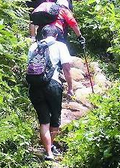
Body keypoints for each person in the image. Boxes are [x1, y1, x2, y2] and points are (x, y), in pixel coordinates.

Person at [27, 25, 74, 161]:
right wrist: (70, 88)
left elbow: (30, 67)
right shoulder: (60, 46)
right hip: (52, 85)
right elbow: (66, 68)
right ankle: (51, 147)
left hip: (35, 86)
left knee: (44, 121)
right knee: (55, 118)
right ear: (56, 35)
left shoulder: (34, 47)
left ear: (42, 35)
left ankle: (48, 152)